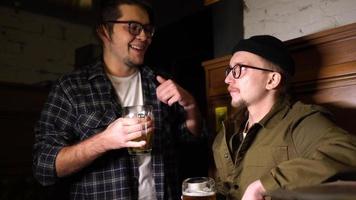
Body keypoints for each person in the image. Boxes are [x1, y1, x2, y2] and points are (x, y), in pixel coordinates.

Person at [32, 0, 203, 199]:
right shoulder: (71, 88)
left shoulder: (160, 81)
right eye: (133, 27)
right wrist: (104, 141)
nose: (144, 36)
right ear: (105, 31)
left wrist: (191, 105)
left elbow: (191, 138)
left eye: (148, 29)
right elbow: (44, 167)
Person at [212, 35, 356, 200]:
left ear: (272, 80)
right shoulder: (227, 133)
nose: (227, 79)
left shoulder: (299, 121)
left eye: (238, 69)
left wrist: (263, 186)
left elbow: (349, 152)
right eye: (229, 70)